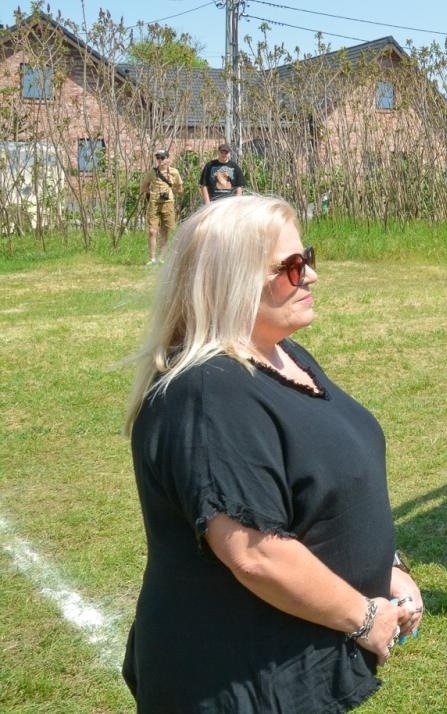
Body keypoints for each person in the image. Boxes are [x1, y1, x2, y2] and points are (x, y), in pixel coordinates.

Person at [122, 194, 423, 712]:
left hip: (290, 654)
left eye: (308, 258)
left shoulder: (282, 355)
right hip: (235, 679)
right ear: (232, 281)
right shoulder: (208, 394)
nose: (311, 276)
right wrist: (365, 616)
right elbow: (256, 553)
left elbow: (325, 490)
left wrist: (385, 568)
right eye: (291, 266)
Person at [137, 149, 183, 266]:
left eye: (162, 158)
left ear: (168, 159)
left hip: (168, 203)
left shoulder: (174, 172)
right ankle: (152, 258)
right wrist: (151, 192)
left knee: (165, 231)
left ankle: (161, 257)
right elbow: (143, 187)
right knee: (152, 231)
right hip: (154, 203)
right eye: (158, 158)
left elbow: (180, 189)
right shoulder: (152, 172)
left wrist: (170, 191)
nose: (160, 160)